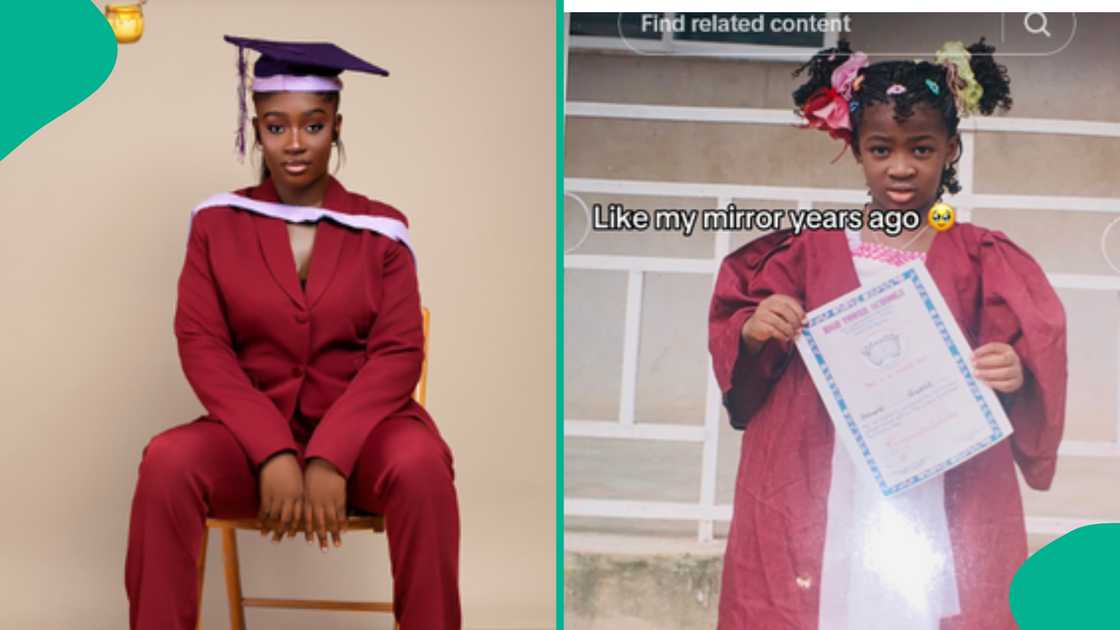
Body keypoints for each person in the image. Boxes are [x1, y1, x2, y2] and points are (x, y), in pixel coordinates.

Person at [708, 38, 1067, 629]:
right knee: (827, 602)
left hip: (937, 476)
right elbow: (746, 363)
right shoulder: (805, 252)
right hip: (827, 472)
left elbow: (1029, 348)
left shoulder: (979, 257)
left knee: (922, 607)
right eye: (882, 149)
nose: (901, 166)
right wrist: (754, 329)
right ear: (856, 150)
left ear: (950, 149)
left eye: (921, 148)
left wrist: (1013, 368)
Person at [124, 36, 461, 630]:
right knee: (168, 462)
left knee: (421, 465)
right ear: (257, 130)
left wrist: (329, 455)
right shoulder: (216, 224)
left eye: (313, 125)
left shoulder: (382, 229)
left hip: (364, 439)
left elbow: (398, 352)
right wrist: (273, 448)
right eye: (277, 127)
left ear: (336, 126)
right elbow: (202, 344)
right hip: (252, 440)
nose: (296, 144)